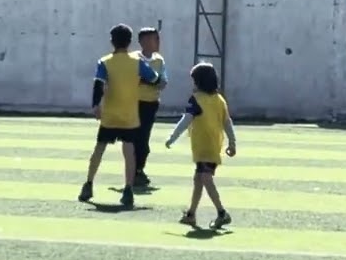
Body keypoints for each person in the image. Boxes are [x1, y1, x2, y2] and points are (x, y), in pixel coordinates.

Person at [81, 24, 161, 209]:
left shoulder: (105, 62)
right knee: (129, 152)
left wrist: (96, 105)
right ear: (130, 41)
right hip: (129, 115)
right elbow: (155, 78)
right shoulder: (137, 62)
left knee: (99, 149)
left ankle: (89, 184)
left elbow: (98, 85)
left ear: (112, 41)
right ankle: (128, 190)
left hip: (110, 115)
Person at [165, 62, 236, 229]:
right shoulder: (220, 100)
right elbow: (227, 122)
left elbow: (186, 120)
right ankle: (191, 214)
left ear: (199, 82)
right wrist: (232, 142)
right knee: (198, 179)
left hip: (204, 148)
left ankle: (222, 213)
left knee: (205, 178)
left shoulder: (196, 100)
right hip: (212, 146)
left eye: (194, 81)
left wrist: (172, 137)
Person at [134, 26, 167, 189]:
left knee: (144, 139)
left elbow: (163, 82)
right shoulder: (134, 59)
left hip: (151, 104)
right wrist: (152, 81)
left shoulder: (159, 60)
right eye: (155, 39)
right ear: (144, 41)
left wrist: (148, 81)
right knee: (134, 139)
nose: (158, 42)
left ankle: (138, 170)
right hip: (134, 103)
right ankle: (135, 171)